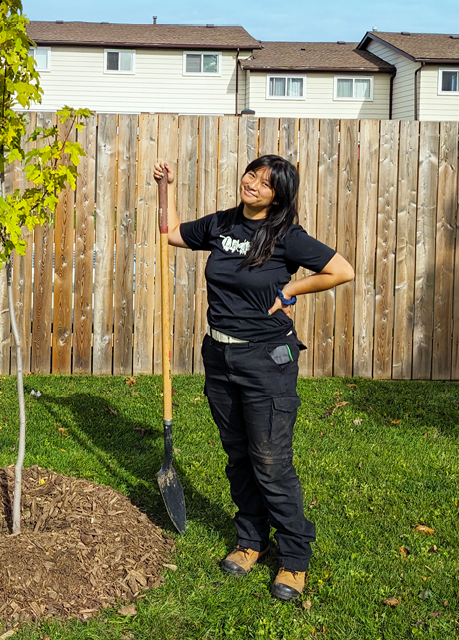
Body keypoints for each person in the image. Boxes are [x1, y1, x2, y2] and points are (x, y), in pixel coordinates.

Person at [153, 154, 353, 602]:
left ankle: (295, 558)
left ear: (278, 195)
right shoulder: (222, 225)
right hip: (219, 355)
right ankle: (250, 541)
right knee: (239, 454)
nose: (254, 184)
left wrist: (291, 290)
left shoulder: (286, 236)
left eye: (265, 183)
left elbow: (342, 271)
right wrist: (165, 190)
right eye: (251, 175)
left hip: (267, 360)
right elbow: (170, 236)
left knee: (270, 460)